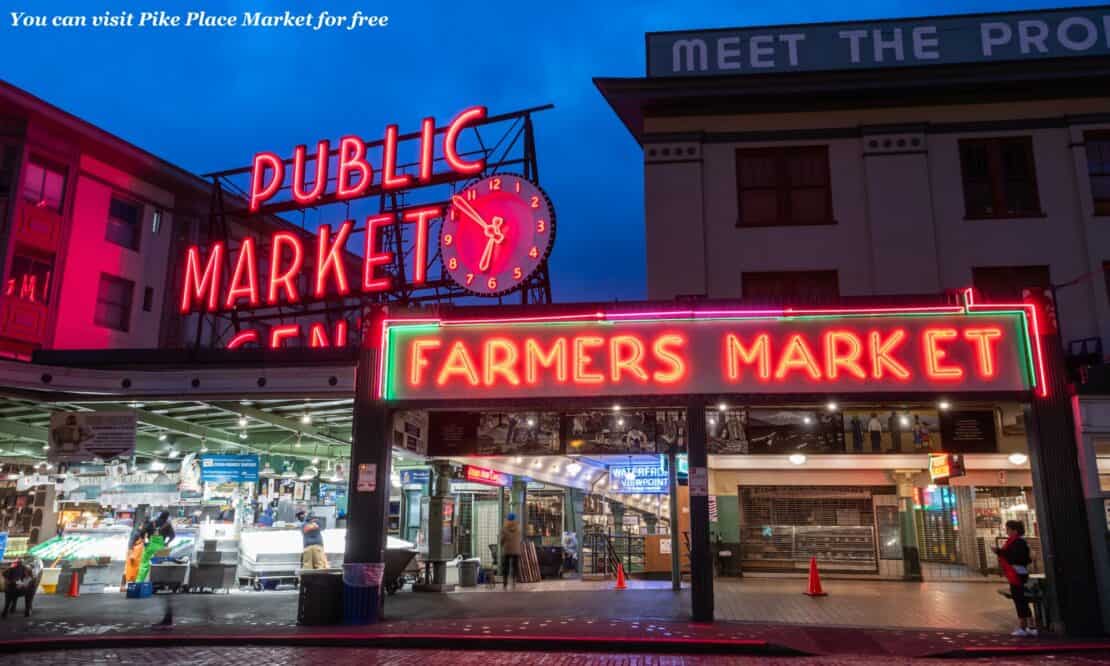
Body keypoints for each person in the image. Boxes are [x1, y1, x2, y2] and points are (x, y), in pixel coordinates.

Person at [993, 520, 1035, 636]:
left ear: (1015, 530)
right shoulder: (1015, 542)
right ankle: (1029, 626)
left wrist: (999, 552)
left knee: (1020, 600)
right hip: (1016, 573)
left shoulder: (1018, 542)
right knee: (1021, 600)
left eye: (1008, 529)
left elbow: (1016, 557)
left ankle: (1025, 627)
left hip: (1017, 574)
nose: (1006, 531)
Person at [498, 513, 522, 589]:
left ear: (507, 519)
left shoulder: (504, 528)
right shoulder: (518, 528)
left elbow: (501, 540)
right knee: (515, 566)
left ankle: (505, 583)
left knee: (506, 566)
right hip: (516, 550)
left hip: (507, 549)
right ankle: (514, 581)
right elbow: (519, 539)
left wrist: (502, 545)